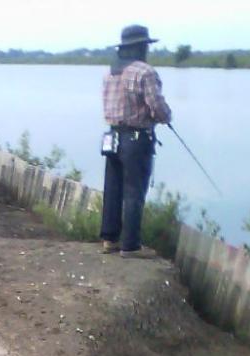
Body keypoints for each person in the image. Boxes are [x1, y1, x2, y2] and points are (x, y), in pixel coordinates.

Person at [100, 24, 172, 258]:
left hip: (111, 136)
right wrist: (165, 117)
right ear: (141, 47)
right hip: (136, 138)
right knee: (133, 191)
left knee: (112, 188)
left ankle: (109, 240)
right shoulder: (145, 72)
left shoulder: (110, 73)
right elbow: (157, 106)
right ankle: (129, 246)